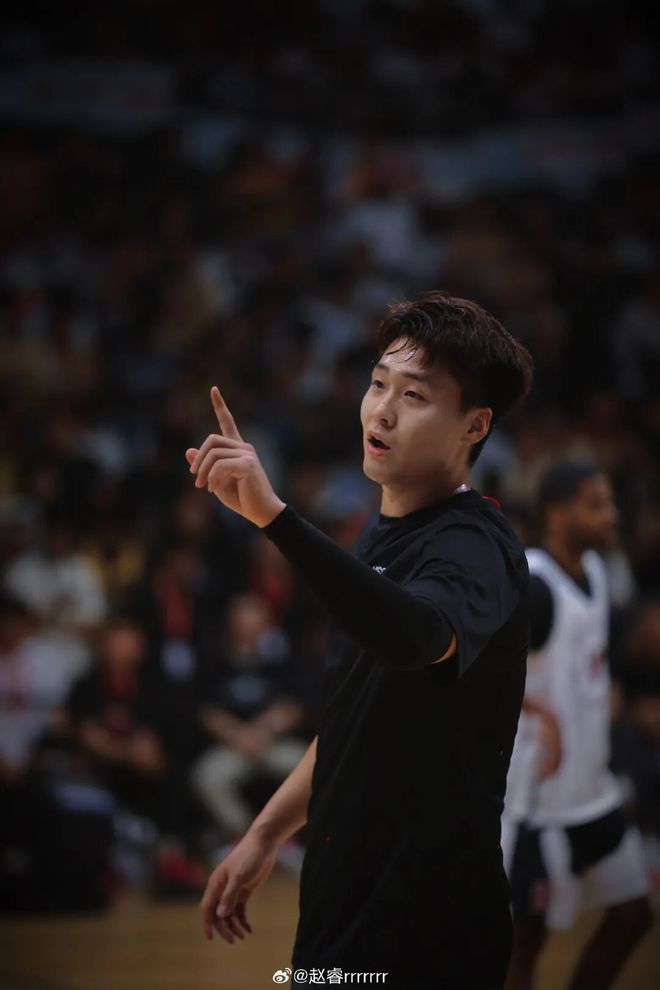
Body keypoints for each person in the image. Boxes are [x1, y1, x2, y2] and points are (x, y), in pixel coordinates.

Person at [188, 291, 534, 990]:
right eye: (378, 384)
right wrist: (264, 834)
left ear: (475, 425)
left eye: (414, 396)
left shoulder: (478, 547)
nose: (382, 410)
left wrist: (275, 519)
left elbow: (418, 636)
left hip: (426, 925)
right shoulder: (377, 535)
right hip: (342, 900)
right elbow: (354, 718)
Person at [502, 461, 653, 990]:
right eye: (596, 505)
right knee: (523, 948)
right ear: (556, 513)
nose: (612, 515)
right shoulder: (533, 587)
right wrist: (537, 710)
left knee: (634, 915)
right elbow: (474, 670)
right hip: (537, 803)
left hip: (590, 792)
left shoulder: (595, 572)